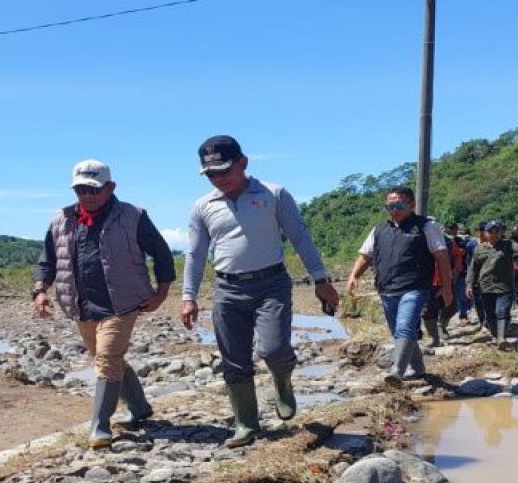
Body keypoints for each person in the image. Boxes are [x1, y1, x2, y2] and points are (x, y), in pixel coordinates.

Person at [181, 135, 340, 448]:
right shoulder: (203, 206)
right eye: (211, 174)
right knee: (234, 359)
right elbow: (196, 254)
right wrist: (189, 296)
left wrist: (321, 280)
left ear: (243, 163)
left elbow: (300, 237)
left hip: (271, 284)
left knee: (273, 349)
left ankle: (282, 380)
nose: (219, 178)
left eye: (224, 170)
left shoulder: (274, 194)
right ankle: (246, 424)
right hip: (227, 287)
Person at [33, 159, 175, 449]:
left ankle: (99, 427)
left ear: (111, 187)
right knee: (109, 359)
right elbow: (47, 259)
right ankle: (140, 408)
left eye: (93, 190)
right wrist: (40, 290)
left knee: (107, 359)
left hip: (123, 302)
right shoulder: (61, 219)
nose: (87, 196)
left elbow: (161, 254)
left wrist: (161, 292)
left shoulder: (133, 216)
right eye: (81, 190)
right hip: (81, 305)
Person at [345, 187, 453, 385]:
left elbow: (442, 257)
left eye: (400, 205)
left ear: (412, 205)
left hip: (415, 286)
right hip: (387, 288)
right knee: (399, 331)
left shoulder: (426, 227)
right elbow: (365, 256)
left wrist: (447, 287)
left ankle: (397, 371)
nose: (394, 209)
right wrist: (354, 275)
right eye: (390, 206)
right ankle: (418, 368)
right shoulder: (379, 230)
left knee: (405, 326)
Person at [466, 220, 518, 347]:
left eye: (498, 231)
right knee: (490, 313)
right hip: (486, 286)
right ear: (486, 233)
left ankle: (501, 338)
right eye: (491, 231)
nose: (495, 234)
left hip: (504, 286)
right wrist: (469, 285)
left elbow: (517, 247)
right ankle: (496, 336)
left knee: (502, 311)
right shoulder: (479, 249)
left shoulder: (507, 245)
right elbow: (473, 269)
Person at [421, 222, 466, 346]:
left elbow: (457, 258)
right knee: (428, 310)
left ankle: (442, 325)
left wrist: (456, 272)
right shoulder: (418, 241)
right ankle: (434, 338)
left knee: (451, 306)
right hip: (426, 281)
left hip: (445, 279)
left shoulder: (448, 242)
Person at [451, 224, 478, 323]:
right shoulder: (453, 242)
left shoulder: (472, 244)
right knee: (459, 295)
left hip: (468, 271)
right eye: (461, 233)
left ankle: (466, 314)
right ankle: (461, 314)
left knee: (467, 295)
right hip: (457, 272)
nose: (463, 236)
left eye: (464, 234)